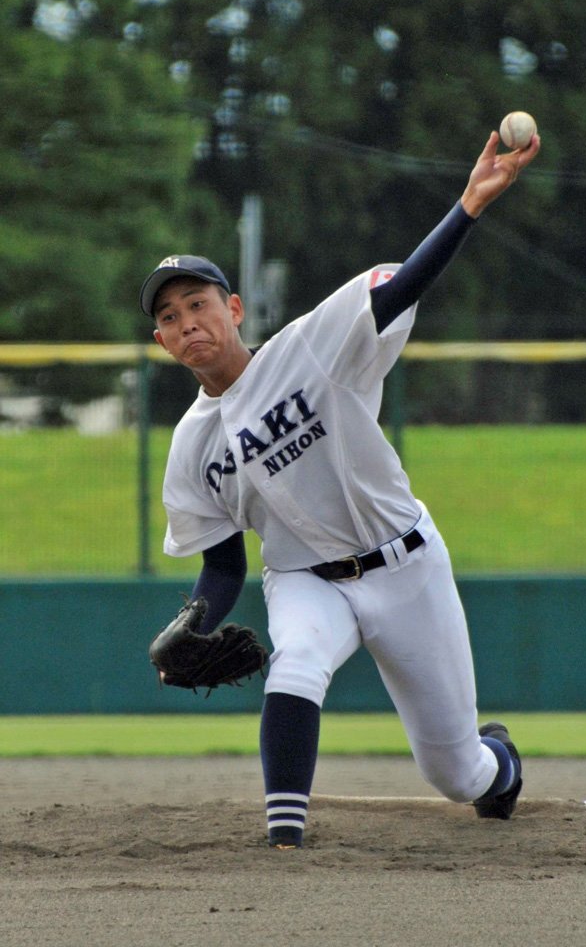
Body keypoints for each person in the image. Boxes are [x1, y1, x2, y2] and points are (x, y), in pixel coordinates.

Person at [140, 129, 541, 849]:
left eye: (196, 303)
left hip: (406, 564)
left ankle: (500, 764)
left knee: (456, 773)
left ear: (232, 309)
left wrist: (468, 205)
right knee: (294, 663)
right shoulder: (191, 447)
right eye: (168, 318)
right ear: (163, 344)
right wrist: (195, 621)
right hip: (303, 579)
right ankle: (284, 842)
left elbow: (400, 289)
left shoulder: (308, 350)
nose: (184, 322)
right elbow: (224, 564)